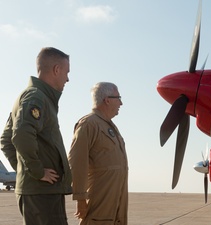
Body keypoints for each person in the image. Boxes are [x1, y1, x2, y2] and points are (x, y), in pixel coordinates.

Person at [0, 47, 72, 225]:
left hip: (41, 191)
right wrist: (36, 171)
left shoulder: (32, 96)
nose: (68, 79)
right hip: (42, 193)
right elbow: (20, 135)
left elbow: (6, 139)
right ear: (56, 70)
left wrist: (25, 170)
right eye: (66, 72)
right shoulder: (36, 97)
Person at [68, 82, 128, 225]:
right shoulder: (89, 124)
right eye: (118, 98)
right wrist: (80, 198)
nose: (121, 103)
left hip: (116, 204)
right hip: (100, 202)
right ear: (107, 100)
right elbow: (77, 162)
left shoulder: (109, 126)